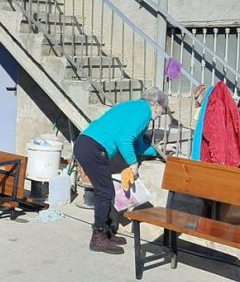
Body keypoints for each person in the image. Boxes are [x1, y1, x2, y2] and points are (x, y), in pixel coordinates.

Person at [73, 86, 170, 254]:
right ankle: (98, 238)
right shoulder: (144, 112)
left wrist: (158, 152)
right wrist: (133, 163)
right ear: (155, 104)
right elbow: (124, 139)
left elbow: (137, 143)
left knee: (106, 191)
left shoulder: (133, 107)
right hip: (94, 147)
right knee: (104, 192)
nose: (161, 113)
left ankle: (107, 231)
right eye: (162, 109)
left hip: (86, 143)